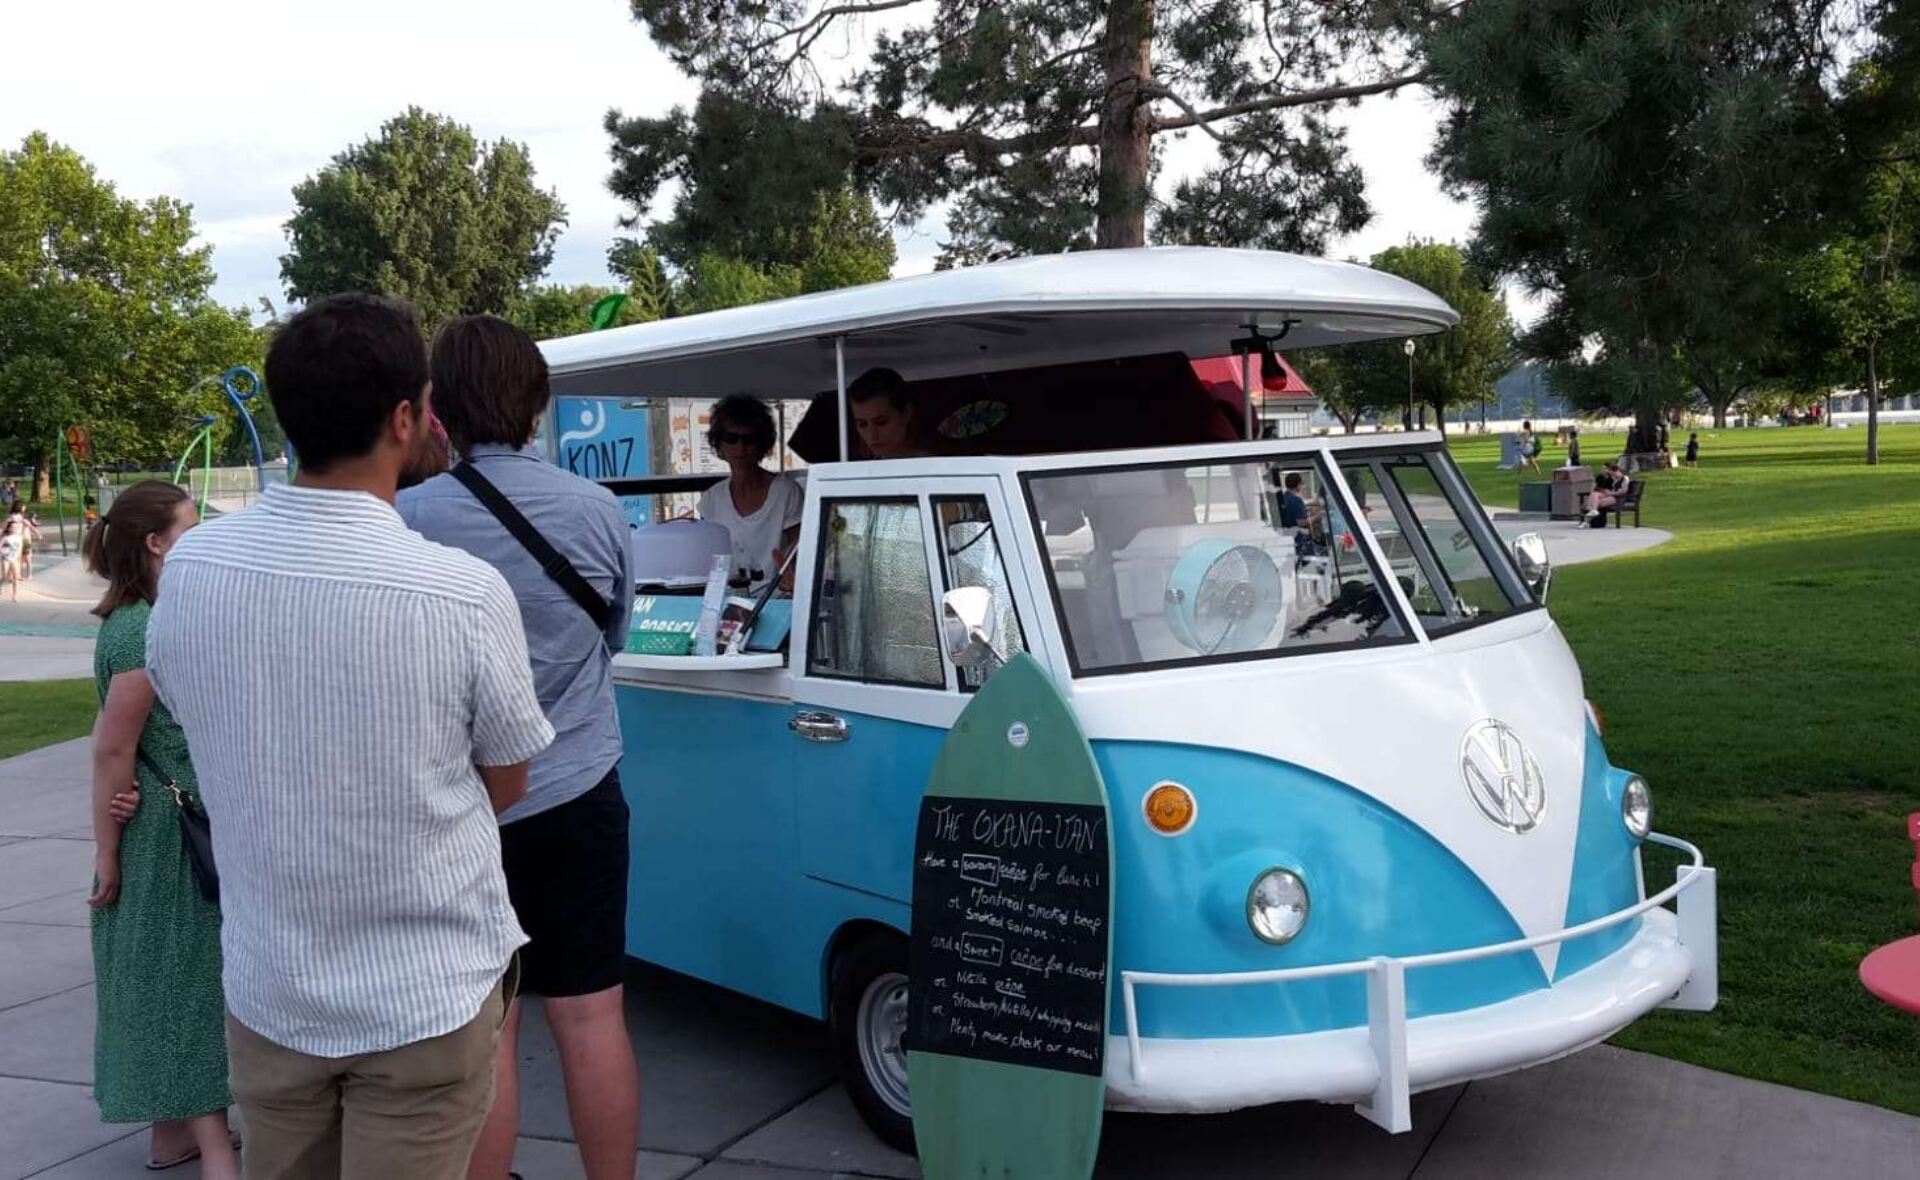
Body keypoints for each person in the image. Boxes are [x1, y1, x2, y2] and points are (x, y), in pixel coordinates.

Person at [145, 293, 555, 1180]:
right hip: (425, 991)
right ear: (407, 417)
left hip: (272, 986)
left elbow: (184, 708)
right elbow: (509, 778)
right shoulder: (460, 591)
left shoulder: (195, 569)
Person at [397, 315, 639, 1180]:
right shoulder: (596, 510)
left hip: (462, 807)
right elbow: (614, 632)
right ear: (539, 407)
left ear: (436, 415)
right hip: (579, 787)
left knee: (489, 1030)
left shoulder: (407, 519)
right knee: (593, 1017)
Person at [82, 480, 239, 1179]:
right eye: (189, 524)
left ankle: (169, 1137)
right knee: (187, 984)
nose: (199, 532)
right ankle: (214, 1154)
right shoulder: (144, 627)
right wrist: (107, 852)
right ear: (155, 543)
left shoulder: (139, 618)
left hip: (158, 820)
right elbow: (113, 748)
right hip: (169, 835)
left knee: (163, 980)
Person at [696, 394, 803, 594]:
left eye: (749, 439)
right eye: (731, 438)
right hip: (727, 606)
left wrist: (794, 579)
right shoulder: (711, 499)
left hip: (778, 602)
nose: (740, 448)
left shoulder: (786, 492)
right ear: (719, 444)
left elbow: (803, 553)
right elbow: (707, 561)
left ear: (762, 444)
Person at [848, 368, 932, 460]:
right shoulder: (860, 470)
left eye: (881, 422)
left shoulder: (935, 467)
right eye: (862, 424)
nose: (872, 435)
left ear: (906, 413)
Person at [1581, 462, 1630, 527]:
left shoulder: (1625, 478)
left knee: (1595, 503)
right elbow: (1596, 488)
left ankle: (1590, 517)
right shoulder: (1613, 478)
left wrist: (1611, 493)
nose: (1611, 475)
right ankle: (1594, 511)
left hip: (1618, 498)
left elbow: (1623, 492)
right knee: (1594, 494)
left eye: (1612, 473)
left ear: (1616, 471)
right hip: (1610, 495)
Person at [0, 517, 22, 602]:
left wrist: (18, 558)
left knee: (15, 577)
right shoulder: (6, 537)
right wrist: (3, 553)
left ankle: (14, 596)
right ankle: (1, 586)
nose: (14, 528)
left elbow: (19, 549)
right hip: (6, 558)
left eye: (16, 527)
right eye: (12, 527)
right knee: (5, 576)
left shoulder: (19, 537)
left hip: (14, 559)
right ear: (9, 528)